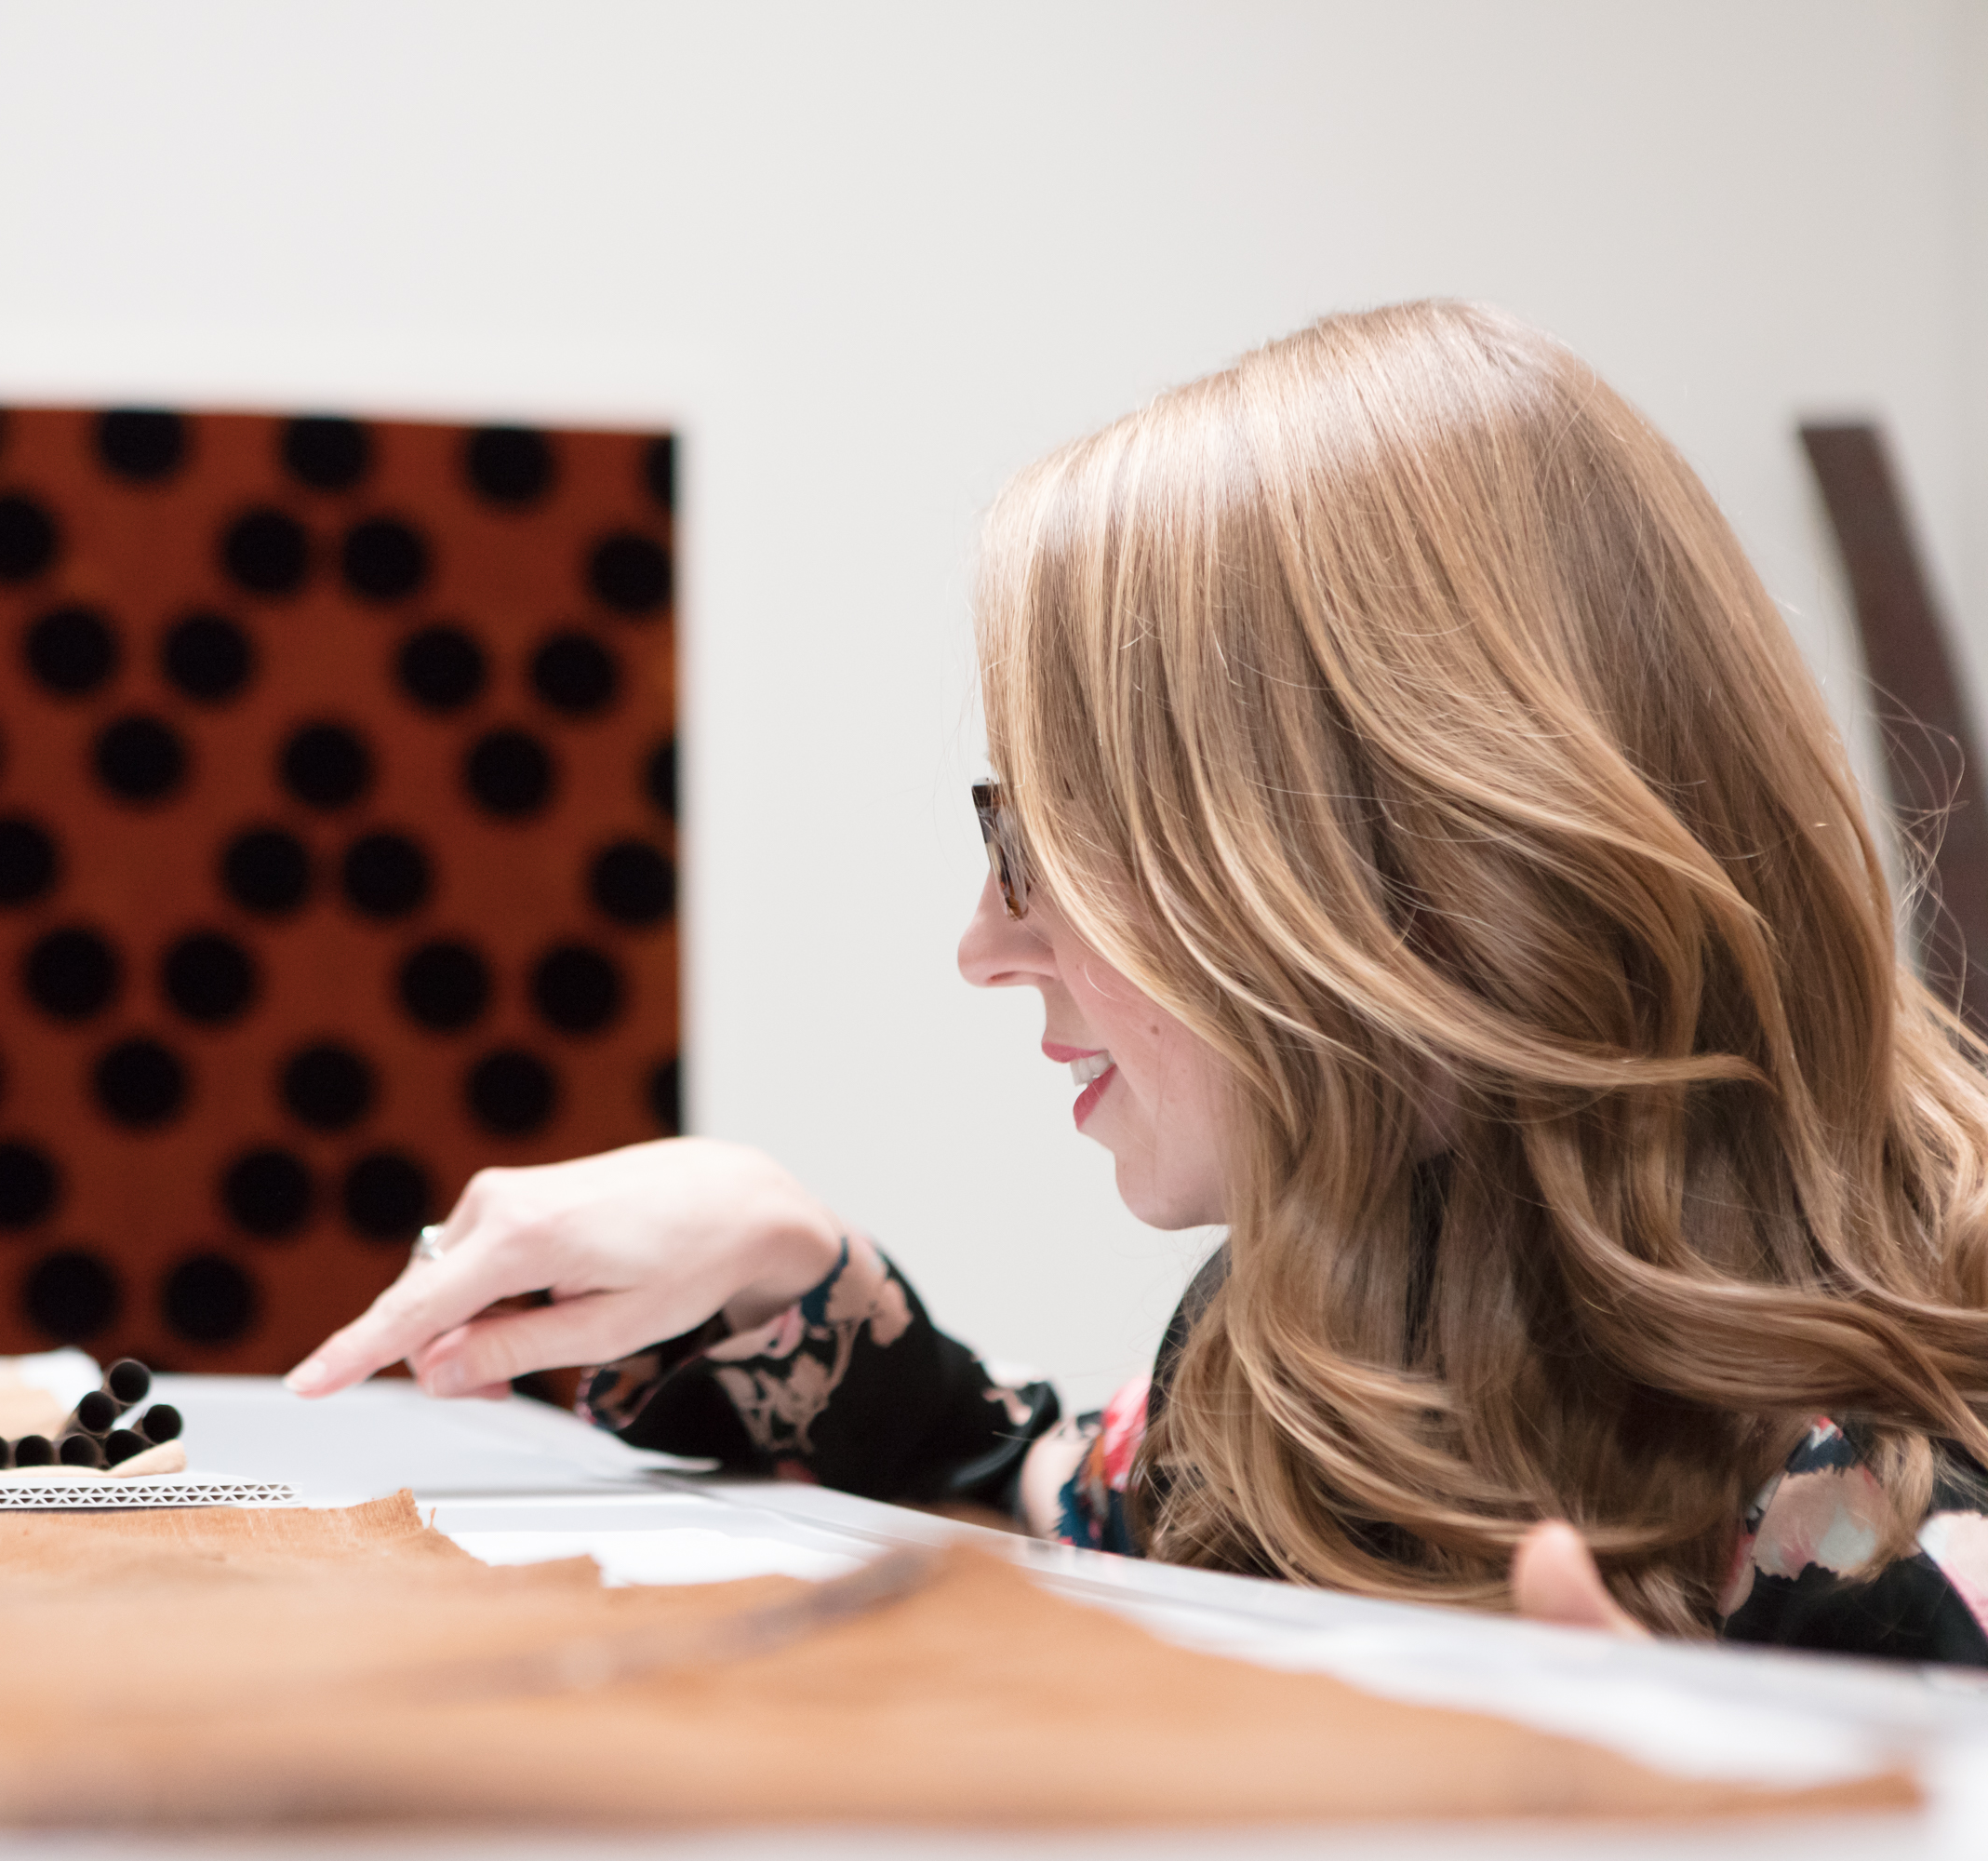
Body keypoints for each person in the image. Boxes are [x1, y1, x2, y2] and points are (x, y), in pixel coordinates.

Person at [288, 300, 1988, 1664]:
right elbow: (1040, 1495)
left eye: (1061, 842)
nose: (985, 942)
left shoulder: (1896, 1547)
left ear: (1404, 881)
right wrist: (787, 1263)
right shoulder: (1324, 1334)